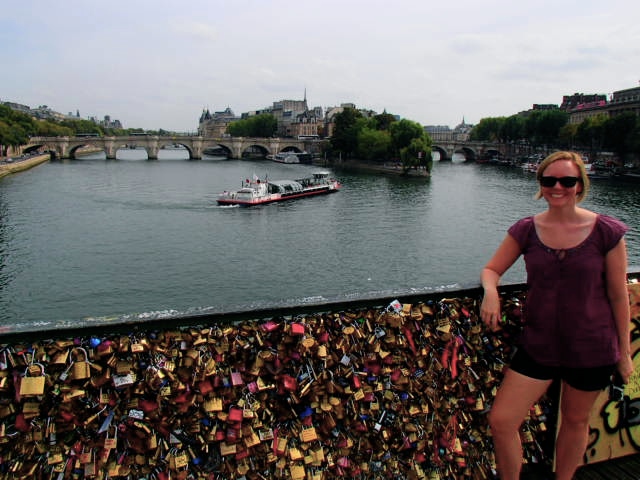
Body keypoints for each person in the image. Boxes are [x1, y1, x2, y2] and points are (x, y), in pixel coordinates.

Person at [479, 151, 633, 480]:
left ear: (580, 185)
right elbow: (492, 269)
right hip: (539, 345)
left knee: (575, 422)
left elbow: (619, 296)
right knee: (502, 420)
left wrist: (624, 355)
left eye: (567, 180)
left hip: (592, 347)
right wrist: (491, 292)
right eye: (549, 181)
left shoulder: (607, 232)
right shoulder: (526, 230)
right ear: (540, 185)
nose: (557, 187)